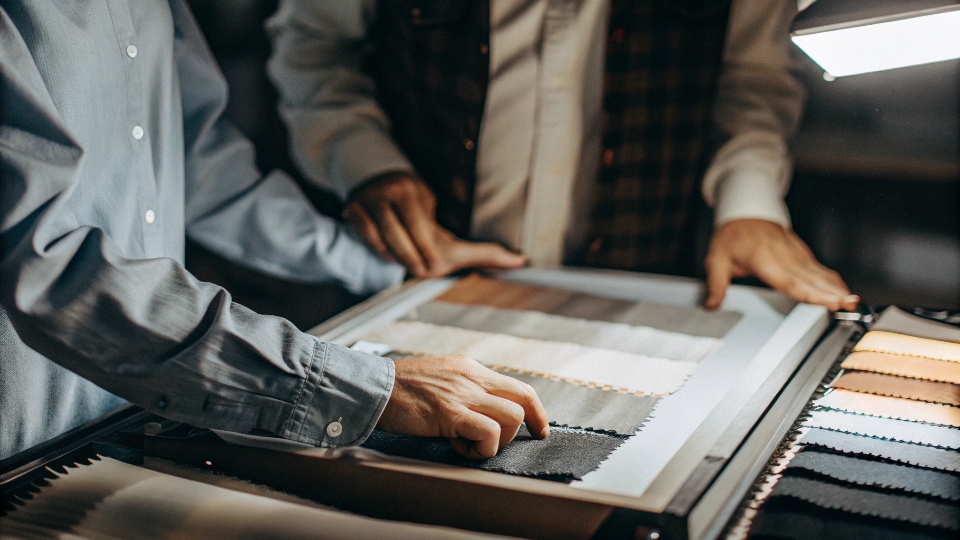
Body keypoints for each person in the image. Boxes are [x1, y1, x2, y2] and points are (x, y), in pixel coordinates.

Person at [0, 0, 546, 462]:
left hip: (140, 429)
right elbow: (44, 262)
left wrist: (398, 261)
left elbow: (202, 165)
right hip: (24, 454)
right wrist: (357, 386)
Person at [267, 0, 861, 312]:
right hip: (419, 281)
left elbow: (751, 81)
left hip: (644, 288)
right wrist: (366, 161)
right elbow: (316, 54)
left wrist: (748, 206)